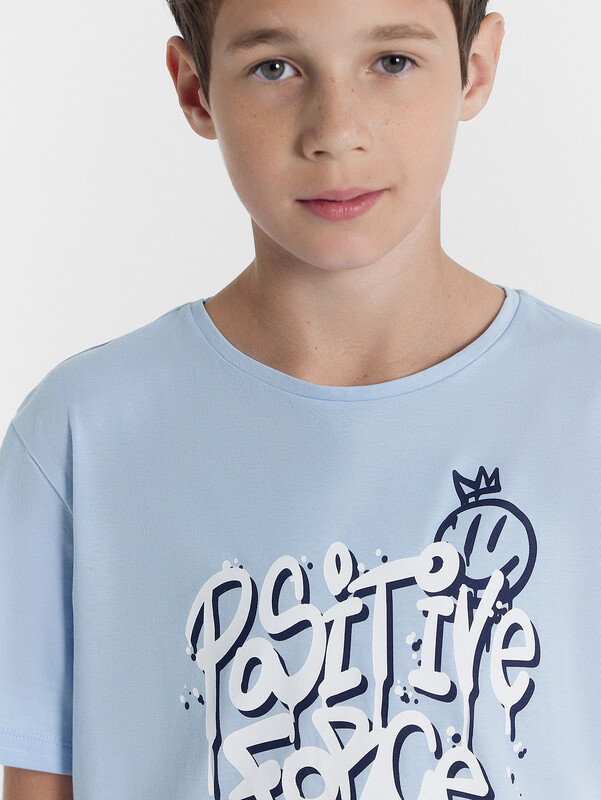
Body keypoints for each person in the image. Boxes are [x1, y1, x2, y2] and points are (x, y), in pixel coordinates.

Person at [1, 0, 599, 797]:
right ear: (194, 89)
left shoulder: (582, 405)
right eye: (274, 68)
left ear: (475, 68)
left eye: (391, 62)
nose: (335, 131)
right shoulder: (84, 431)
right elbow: (40, 777)